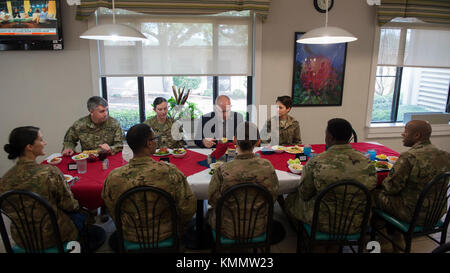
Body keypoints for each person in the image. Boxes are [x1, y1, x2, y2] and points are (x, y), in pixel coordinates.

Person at [102, 123, 196, 244]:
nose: (156, 141)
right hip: (166, 232)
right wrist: (180, 228)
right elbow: (188, 206)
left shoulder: (114, 177)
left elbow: (111, 208)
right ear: (149, 143)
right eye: (154, 138)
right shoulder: (170, 172)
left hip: (130, 235)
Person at [284, 118, 377, 235]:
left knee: (290, 200)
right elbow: (372, 187)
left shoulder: (316, 161)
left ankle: (305, 237)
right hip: (357, 222)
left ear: (330, 137)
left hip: (323, 221)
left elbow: (304, 194)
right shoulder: (367, 162)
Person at [1, 126, 81, 249]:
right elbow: (70, 205)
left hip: (22, 238)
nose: (45, 143)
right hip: (53, 235)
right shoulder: (49, 173)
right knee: (81, 217)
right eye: (41, 139)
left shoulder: (4, 180)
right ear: (30, 147)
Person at [207, 122, 279, 239]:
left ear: (235, 140)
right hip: (258, 226)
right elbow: (273, 196)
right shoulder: (267, 167)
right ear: (258, 142)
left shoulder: (222, 169)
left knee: (208, 212)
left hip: (227, 228)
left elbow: (212, 199)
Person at [374, 120, 450, 225]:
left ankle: (383, 234)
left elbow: (391, 188)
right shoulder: (446, 155)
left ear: (417, 135)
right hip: (437, 212)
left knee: (370, 193)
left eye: (405, 131)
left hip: (412, 213)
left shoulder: (409, 157)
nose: (402, 134)